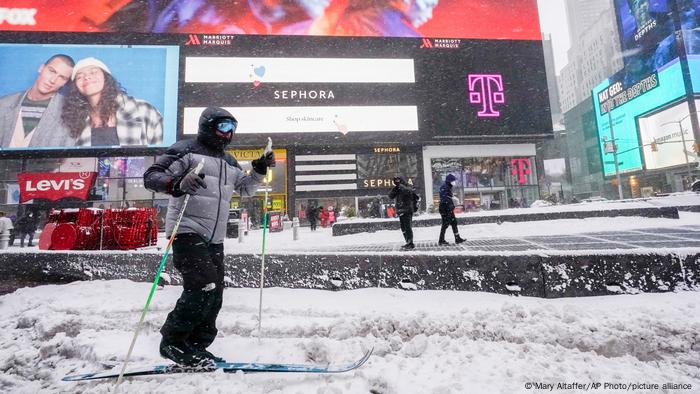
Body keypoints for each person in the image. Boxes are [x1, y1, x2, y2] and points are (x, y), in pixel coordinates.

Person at [144, 106, 273, 366]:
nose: (228, 134)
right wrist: (178, 184)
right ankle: (173, 342)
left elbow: (245, 189)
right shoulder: (185, 151)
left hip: (215, 237)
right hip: (187, 229)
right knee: (203, 284)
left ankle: (196, 345)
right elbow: (152, 176)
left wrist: (258, 170)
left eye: (232, 129)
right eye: (223, 127)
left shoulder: (229, 161)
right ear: (207, 125)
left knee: (215, 293)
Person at [61, 57, 163, 147]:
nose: (87, 77)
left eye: (93, 72)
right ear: (75, 88)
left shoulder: (143, 110)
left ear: (106, 78)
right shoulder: (74, 122)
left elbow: (164, 158)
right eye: (79, 76)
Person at [0, 54, 76, 148]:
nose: (53, 80)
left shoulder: (70, 112)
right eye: (51, 71)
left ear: (65, 83)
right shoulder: (3, 103)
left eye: (62, 77)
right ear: (41, 68)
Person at [388, 176, 418, 250]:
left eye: (398, 180)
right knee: (403, 228)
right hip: (401, 210)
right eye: (395, 181)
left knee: (407, 227)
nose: (397, 182)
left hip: (407, 210)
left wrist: (401, 186)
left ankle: (410, 243)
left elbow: (410, 193)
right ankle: (408, 242)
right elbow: (390, 196)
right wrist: (396, 188)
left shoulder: (406, 187)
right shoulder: (397, 188)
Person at [438, 174, 465, 246]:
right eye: (453, 181)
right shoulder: (445, 187)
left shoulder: (447, 187)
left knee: (453, 222)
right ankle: (441, 240)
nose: (454, 182)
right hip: (445, 208)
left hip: (447, 208)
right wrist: (450, 205)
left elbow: (448, 197)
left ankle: (457, 238)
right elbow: (444, 199)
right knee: (445, 224)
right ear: (449, 181)